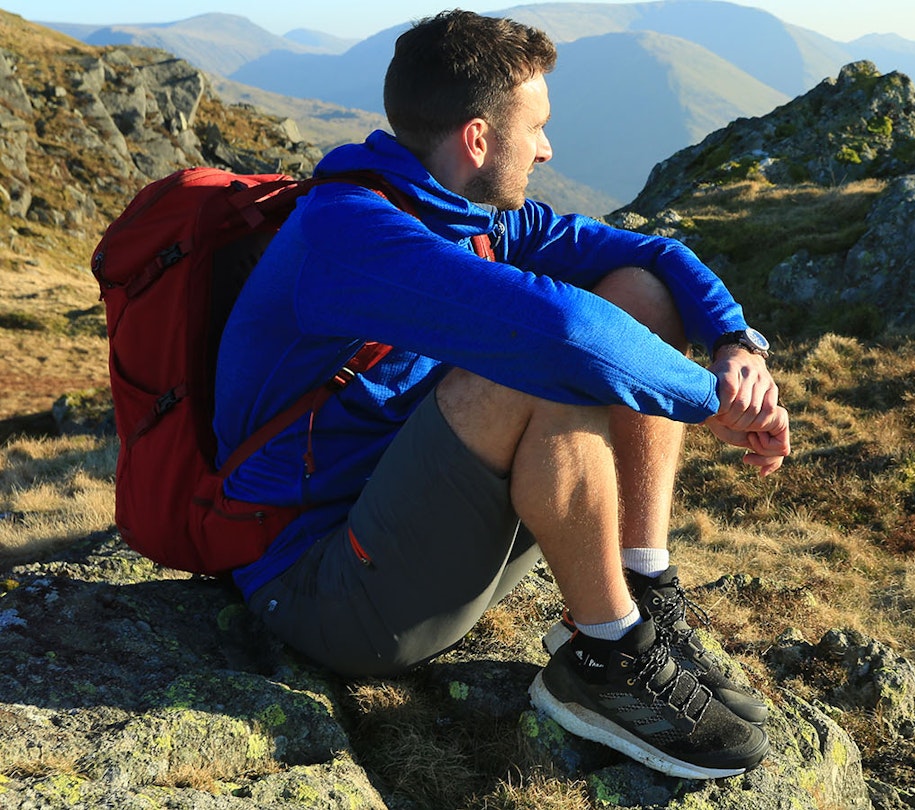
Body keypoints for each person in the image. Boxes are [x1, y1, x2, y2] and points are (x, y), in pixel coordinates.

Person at [212, 11, 789, 780]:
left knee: (638, 293)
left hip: (417, 537)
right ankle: (607, 656)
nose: (548, 148)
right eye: (537, 128)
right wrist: (709, 401)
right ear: (479, 140)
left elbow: (655, 254)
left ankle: (642, 592)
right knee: (534, 355)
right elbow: (561, 332)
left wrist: (735, 344)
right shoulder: (348, 234)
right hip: (325, 593)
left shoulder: (468, 214)